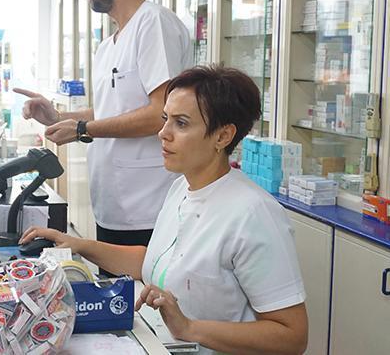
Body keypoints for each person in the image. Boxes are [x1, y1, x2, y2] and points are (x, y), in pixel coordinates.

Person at [21, 65, 308, 355]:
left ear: (223, 136)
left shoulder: (253, 214)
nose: (162, 133)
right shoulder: (182, 187)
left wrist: (189, 327)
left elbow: (292, 337)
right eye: (165, 119)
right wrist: (78, 245)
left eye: (181, 123)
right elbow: (158, 263)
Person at [15, 0, 193, 256]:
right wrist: (59, 117)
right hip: (113, 210)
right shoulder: (107, 46)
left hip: (149, 210)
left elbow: (161, 114)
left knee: (143, 304)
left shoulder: (152, 25)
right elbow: (113, 111)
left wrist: (82, 130)